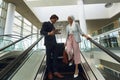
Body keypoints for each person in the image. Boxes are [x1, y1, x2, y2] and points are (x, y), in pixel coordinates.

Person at [40, 14, 64, 80]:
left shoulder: (53, 26)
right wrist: (49, 33)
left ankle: (55, 71)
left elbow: (52, 33)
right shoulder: (46, 23)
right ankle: (49, 72)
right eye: (55, 20)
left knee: (55, 58)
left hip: (54, 44)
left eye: (56, 20)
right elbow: (41, 32)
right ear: (52, 18)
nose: (55, 21)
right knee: (48, 58)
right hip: (48, 44)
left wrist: (56, 32)